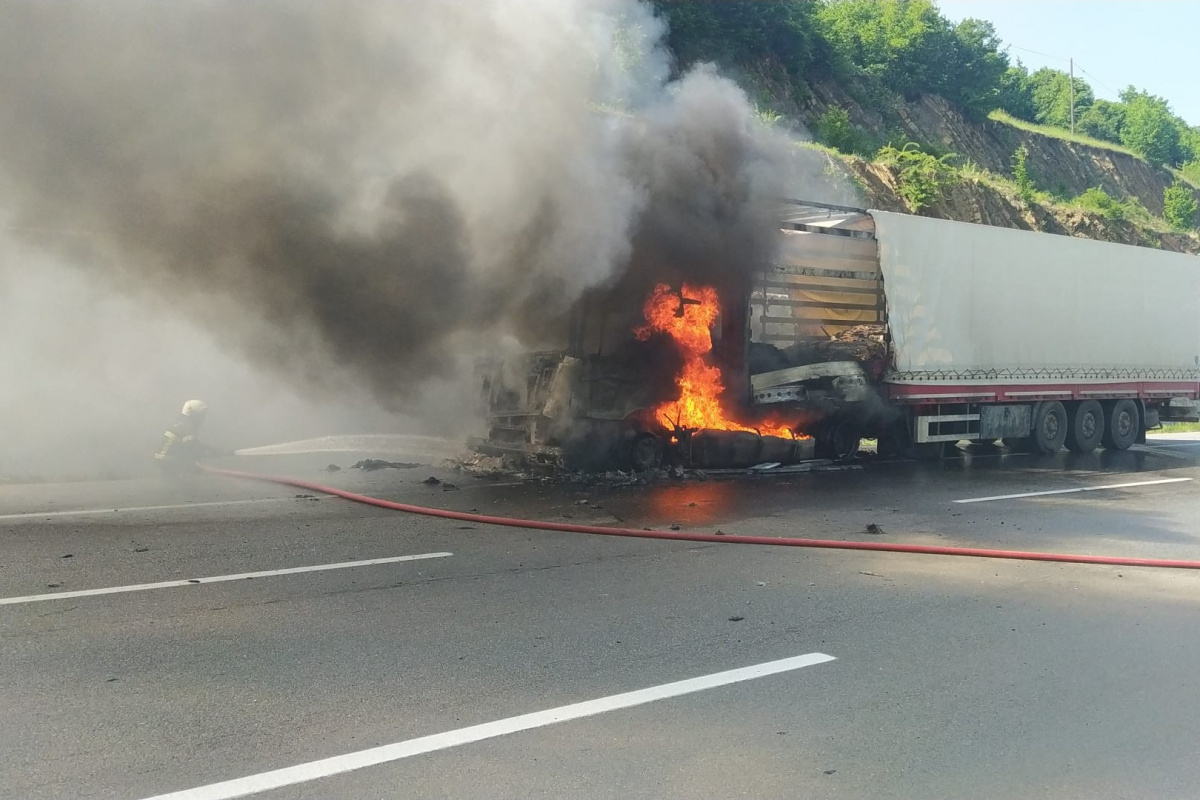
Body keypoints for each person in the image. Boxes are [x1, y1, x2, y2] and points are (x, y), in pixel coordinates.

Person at [155, 399, 218, 468]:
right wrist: (217, 452)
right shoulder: (187, 427)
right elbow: (194, 449)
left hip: (167, 460)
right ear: (194, 414)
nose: (203, 418)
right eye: (201, 415)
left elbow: (192, 447)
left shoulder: (183, 424)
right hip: (168, 462)